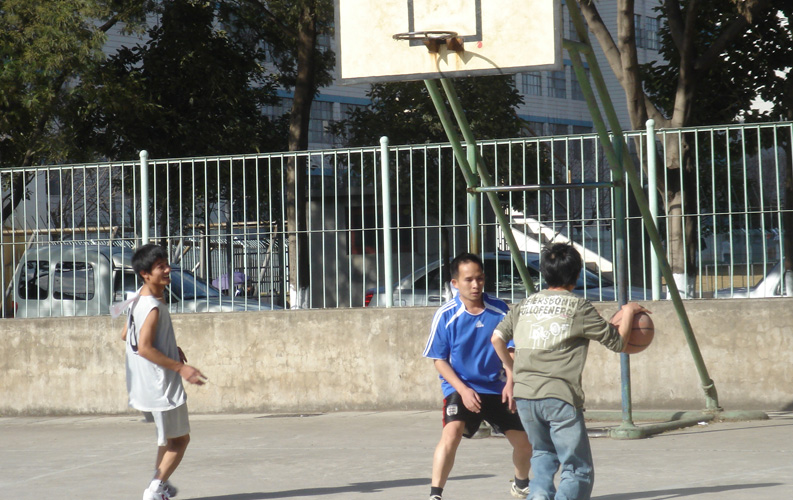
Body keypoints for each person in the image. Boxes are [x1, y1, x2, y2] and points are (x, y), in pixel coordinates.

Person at [491, 242, 648, 500]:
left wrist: (512, 372)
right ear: (576, 275)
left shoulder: (524, 305)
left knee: (542, 454)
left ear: (544, 272)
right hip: (560, 396)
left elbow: (496, 339)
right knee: (577, 467)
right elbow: (618, 342)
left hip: (525, 396)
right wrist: (628, 311)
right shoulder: (579, 307)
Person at [423, 252, 532, 500]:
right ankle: (435, 494)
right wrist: (462, 390)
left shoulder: (501, 309)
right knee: (451, 434)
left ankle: (521, 483)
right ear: (455, 283)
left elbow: (511, 351)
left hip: (497, 387)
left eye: (480, 278)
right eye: (469, 279)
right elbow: (439, 360)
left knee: (525, 444)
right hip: (461, 387)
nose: (475, 285)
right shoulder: (446, 315)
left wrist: (511, 383)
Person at [120, 244, 207, 500]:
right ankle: (155, 490)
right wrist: (181, 367)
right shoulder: (152, 307)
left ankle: (159, 483)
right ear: (146, 274)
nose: (168, 270)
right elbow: (145, 348)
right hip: (160, 386)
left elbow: (126, 334)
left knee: (168, 439)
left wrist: (169, 344)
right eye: (161, 267)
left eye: (167, 264)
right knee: (180, 441)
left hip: (145, 384)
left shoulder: (142, 296)